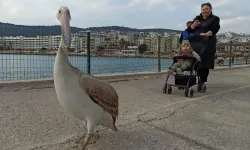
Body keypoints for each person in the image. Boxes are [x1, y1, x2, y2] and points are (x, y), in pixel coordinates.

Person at [187, 2, 220, 87]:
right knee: (194, 61)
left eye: (206, 9)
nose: (205, 11)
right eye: (203, 9)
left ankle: (202, 81)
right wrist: (193, 24)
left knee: (204, 63)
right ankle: (190, 79)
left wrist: (206, 34)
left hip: (207, 43)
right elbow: (190, 30)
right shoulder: (197, 19)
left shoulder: (214, 18)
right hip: (196, 43)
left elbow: (215, 29)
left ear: (210, 9)